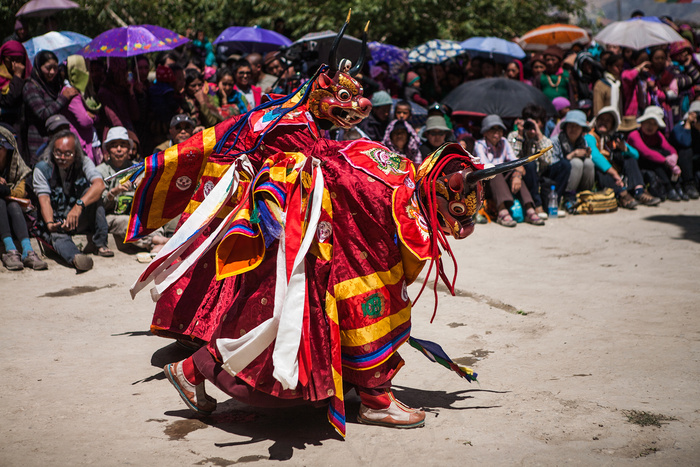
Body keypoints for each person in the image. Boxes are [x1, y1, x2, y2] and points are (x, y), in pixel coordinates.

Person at [33, 130, 112, 271]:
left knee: (93, 193)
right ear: (52, 151)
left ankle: (101, 244)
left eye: (68, 154)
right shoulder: (42, 168)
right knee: (55, 236)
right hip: (58, 221)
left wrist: (79, 206)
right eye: (58, 153)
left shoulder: (84, 162)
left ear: (75, 153)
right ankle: (76, 258)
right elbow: (44, 199)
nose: (62, 157)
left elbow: (100, 185)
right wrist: (50, 223)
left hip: (79, 217)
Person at [97, 126, 159, 251]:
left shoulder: (138, 169)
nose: (119, 149)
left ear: (129, 149)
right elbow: (98, 206)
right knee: (127, 221)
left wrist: (144, 186)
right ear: (108, 149)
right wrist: (114, 192)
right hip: (111, 217)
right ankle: (155, 242)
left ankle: (158, 242)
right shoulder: (100, 171)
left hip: (136, 214)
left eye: (123, 145)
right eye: (114, 145)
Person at [474, 115, 544, 227]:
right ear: (485, 132)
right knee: (493, 171)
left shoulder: (504, 142)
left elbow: (517, 164)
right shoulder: (479, 145)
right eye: (492, 129)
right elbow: (485, 167)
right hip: (486, 185)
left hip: (503, 181)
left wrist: (517, 175)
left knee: (514, 173)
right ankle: (502, 211)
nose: (496, 132)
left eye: (499, 129)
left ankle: (530, 209)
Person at [586, 106, 661, 209]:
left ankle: (639, 191)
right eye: (601, 119)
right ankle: (622, 195)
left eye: (608, 121)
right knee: (601, 169)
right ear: (596, 121)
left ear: (612, 125)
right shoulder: (590, 136)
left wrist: (624, 148)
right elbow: (595, 155)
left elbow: (636, 154)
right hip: (603, 175)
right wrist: (613, 172)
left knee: (630, 158)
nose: (604, 122)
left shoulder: (613, 139)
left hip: (618, 173)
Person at [0, 127, 47, 271]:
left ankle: (27, 251)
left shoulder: (17, 166)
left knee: (13, 205)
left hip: (14, 217)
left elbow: (20, 192)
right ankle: (10, 250)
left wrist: (5, 189)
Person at [22, 51, 80, 165]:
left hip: (55, 140)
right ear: (39, 67)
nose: (52, 72)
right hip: (39, 142)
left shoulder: (53, 86)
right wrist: (63, 98)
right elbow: (43, 114)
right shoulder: (31, 87)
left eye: (55, 68)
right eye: (48, 68)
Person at [508, 104, 563, 218]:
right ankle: (537, 205)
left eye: (537, 122)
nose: (533, 126)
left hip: (540, 174)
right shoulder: (514, 136)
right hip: (524, 174)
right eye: (531, 122)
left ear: (541, 124)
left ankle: (555, 203)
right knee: (530, 163)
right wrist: (520, 137)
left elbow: (547, 161)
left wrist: (538, 137)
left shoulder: (544, 139)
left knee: (565, 165)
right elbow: (512, 159)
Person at [628, 106, 688, 201]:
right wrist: (666, 161)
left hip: (655, 162)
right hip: (639, 164)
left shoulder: (658, 135)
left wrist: (673, 157)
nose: (650, 126)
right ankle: (669, 187)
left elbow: (669, 147)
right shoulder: (634, 135)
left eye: (654, 123)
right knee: (658, 158)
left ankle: (677, 185)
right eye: (648, 122)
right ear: (642, 122)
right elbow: (646, 152)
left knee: (666, 153)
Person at [551, 110, 595, 210]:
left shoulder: (583, 141)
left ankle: (585, 195)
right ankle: (568, 197)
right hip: (560, 180)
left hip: (579, 179)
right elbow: (552, 165)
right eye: (570, 125)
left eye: (577, 126)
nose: (573, 129)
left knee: (589, 163)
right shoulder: (555, 140)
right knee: (576, 163)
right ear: (565, 127)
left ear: (582, 129)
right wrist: (572, 155)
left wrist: (587, 154)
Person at [63, 55, 102, 165]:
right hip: (81, 147)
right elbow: (85, 121)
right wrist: (93, 117)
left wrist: (93, 116)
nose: (87, 73)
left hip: (87, 144)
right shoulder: (72, 94)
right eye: (85, 69)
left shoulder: (83, 91)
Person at [97, 57, 139, 140]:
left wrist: (131, 93)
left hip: (129, 134)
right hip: (115, 137)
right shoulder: (104, 92)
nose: (126, 75)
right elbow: (115, 121)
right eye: (122, 72)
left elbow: (135, 115)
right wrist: (130, 137)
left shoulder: (124, 89)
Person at [670, 100, 700, 199]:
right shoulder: (679, 127)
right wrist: (688, 124)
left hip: (696, 164)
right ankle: (688, 184)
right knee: (686, 151)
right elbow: (685, 143)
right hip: (682, 164)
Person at [0, 41, 31, 135]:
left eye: (19, 59)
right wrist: (17, 76)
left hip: (24, 129)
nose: (15, 63)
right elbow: (9, 100)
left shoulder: (28, 76)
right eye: (11, 59)